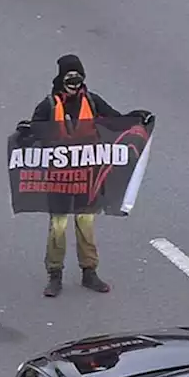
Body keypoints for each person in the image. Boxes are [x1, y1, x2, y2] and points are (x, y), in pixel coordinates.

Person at [19, 54, 154, 297]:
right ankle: (55, 274)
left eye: (78, 78)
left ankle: (89, 271)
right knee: (58, 226)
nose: (74, 84)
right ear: (61, 79)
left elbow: (116, 121)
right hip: (58, 177)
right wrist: (26, 131)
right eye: (70, 79)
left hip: (86, 176)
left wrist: (137, 117)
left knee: (86, 223)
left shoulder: (92, 101)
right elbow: (35, 131)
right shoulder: (48, 106)